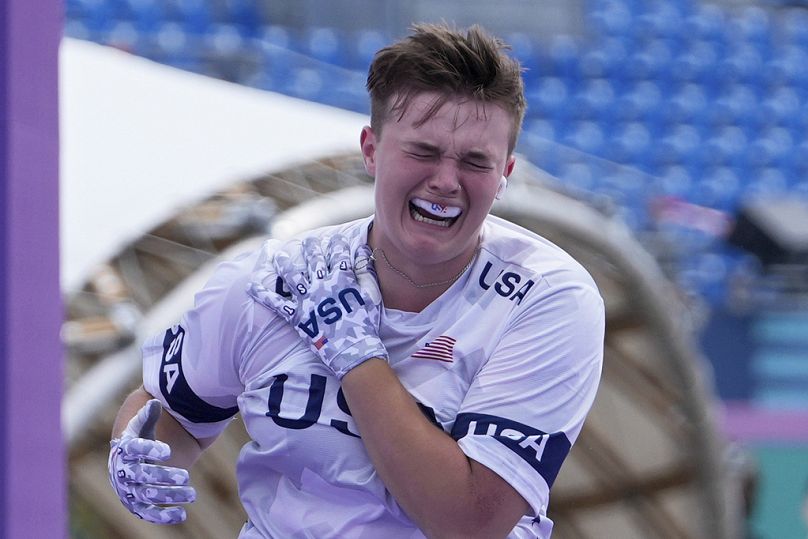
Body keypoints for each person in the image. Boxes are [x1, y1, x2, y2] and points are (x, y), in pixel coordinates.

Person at [108, 23, 605, 538]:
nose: (445, 181)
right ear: (371, 149)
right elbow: (170, 413)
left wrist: (356, 356)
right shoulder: (274, 279)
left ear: (506, 173)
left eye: (476, 162)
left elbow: (469, 522)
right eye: (423, 151)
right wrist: (135, 457)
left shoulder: (547, 298)